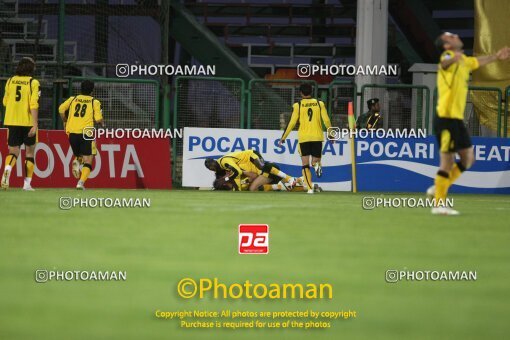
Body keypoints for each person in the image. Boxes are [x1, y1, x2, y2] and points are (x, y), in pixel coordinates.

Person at [428, 32, 510, 215]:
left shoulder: (464, 60)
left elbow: (477, 62)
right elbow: (443, 64)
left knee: (468, 159)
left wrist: (496, 56)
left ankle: (439, 187)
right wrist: (453, 59)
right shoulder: (448, 56)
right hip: (446, 117)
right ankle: (439, 204)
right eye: (450, 36)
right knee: (447, 161)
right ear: (447, 46)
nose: (455, 35)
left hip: (456, 119)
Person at [278, 83, 332, 194]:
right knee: (315, 161)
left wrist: (283, 137)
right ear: (311, 92)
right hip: (317, 137)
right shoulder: (319, 103)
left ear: (300, 93)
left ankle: (310, 188)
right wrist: (331, 134)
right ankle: (317, 165)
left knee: (305, 164)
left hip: (304, 138)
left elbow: (292, 123)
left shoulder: (297, 105)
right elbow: (326, 120)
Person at [1, 57, 40, 191]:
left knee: (13, 151)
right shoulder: (33, 83)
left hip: (12, 121)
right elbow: (33, 104)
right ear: (31, 68)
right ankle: (27, 184)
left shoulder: (10, 81)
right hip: (27, 121)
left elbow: (5, 102)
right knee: (29, 153)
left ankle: (7, 170)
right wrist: (35, 124)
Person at [58, 80, 104, 190]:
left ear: (80, 89)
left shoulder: (72, 99)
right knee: (88, 159)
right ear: (92, 91)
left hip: (72, 132)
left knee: (80, 155)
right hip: (86, 132)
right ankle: (81, 183)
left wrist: (65, 120)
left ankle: (77, 161)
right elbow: (98, 119)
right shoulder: (95, 102)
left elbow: (61, 109)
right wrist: (103, 123)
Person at [204, 149, 296, 191]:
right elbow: (237, 176)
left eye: (212, 167)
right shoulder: (226, 168)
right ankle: (288, 183)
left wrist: (226, 179)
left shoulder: (225, 162)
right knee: (253, 184)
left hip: (251, 155)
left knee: (262, 167)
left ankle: (288, 178)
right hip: (258, 171)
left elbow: (238, 172)